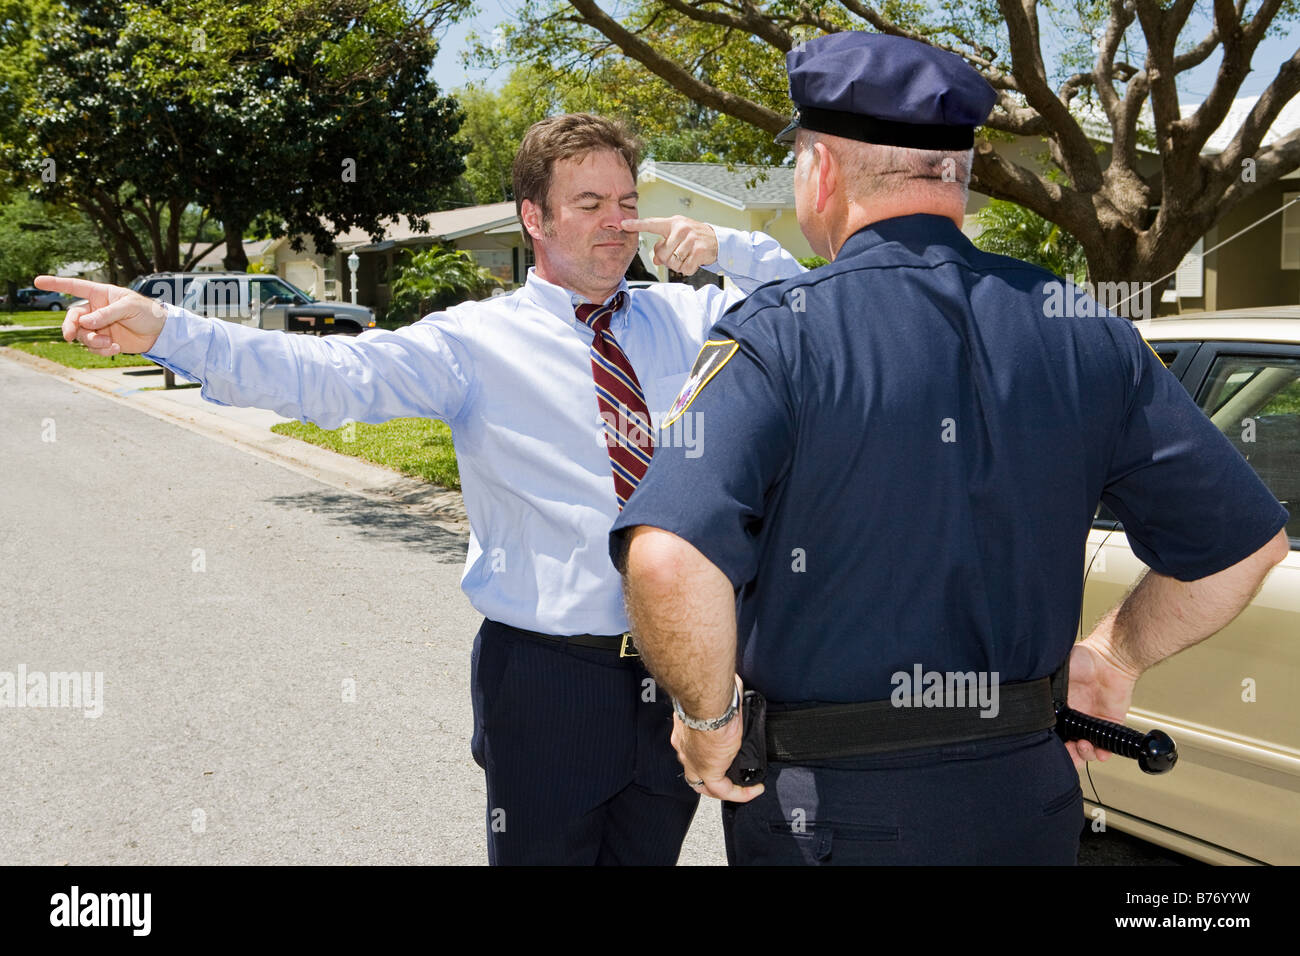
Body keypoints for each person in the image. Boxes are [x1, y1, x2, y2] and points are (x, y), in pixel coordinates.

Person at [37, 112, 806, 865]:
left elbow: (809, 311)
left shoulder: (692, 317)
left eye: (629, 204)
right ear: (533, 217)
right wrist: (172, 330)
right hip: (548, 679)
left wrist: (729, 247)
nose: (618, 223)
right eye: (591, 204)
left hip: (681, 674)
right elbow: (326, 377)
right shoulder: (473, 343)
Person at [609, 33, 1291, 865]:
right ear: (957, 178)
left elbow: (668, 561)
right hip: (1028, 806)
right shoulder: (1086, 333)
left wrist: (708, 723)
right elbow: (1245, 547)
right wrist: (1114, 656)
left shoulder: (777, 335)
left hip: (833, 817)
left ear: (820, 170)